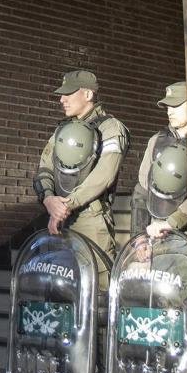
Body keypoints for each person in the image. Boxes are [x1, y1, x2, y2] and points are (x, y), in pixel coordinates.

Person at [33, 69, 129, 262]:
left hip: (90, 219)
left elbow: (105, 174)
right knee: (59, 285)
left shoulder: (110, 128)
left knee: (96, 285)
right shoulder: (62, 130)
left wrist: (66, 206)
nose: (62, 100)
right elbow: (44, 168)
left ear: (88, 94)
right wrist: (48, 199)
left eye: (68, 93)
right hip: (58, 216)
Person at [133, 80, 187, 240]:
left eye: (176, 105)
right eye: (168, 107)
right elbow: (142, 191)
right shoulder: (156, 141)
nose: (169, 111)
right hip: (158, 234)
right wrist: (139, 238)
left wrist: (173, 222)